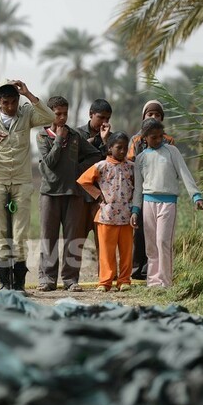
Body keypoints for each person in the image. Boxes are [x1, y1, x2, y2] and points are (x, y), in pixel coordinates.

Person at [0, 79, 55, 292]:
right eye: (5, 102)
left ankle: (19, 284)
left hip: (22, 181)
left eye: (14, 102)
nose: (10, 107)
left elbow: (50, 117)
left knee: (20, 233)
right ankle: (4, 283)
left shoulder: (27, 113)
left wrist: (28, 94)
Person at [36, 95, 103, 292]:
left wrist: (77, 169)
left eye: (65, 113)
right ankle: (47, 279)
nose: (62, 118)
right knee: (48, 238)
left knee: (73, 239)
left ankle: (70, 279)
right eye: (58, 114)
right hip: (50, 193)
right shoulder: (42, 137)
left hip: (73, 193)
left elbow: (95, 155)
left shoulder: (75, 136)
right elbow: (49, 162)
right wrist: (58, 139)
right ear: (49, 114)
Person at [131, 118, 203, 288]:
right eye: (153, 137)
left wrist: (196, 196)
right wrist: (135, 210)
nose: (158, 140)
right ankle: (153, 282)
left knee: (163, 241)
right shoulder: (140, 158)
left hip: (168, 203)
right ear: (144, 138)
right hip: (148, 203)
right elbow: (138, 188)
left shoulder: (172, 151)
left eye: (160, 136)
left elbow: (184, 173)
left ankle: (165, 282)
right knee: (151, 246)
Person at [77, 132, 135, 292]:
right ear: (110, 148)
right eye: (119, 148)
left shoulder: (131, 167)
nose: (122, 151)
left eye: (125, 148)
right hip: (106, 216)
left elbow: (137, 186)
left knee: (126, 252)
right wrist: (97, 194)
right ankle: (105, 282)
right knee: (106, 252)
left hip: (127, 216)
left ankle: (124, 280)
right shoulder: (101, 166)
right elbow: (83, 180)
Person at [127, 100, 177, 280]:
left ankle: (153, 272)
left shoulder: (168, 140)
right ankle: (136, 270)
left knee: (159, 235)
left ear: (162, 119)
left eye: (157, 115)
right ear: (143, 117)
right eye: (150, 114)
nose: (153, 117)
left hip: (161, 192)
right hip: (140, 190)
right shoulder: (136, 140)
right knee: (140, 231)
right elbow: (130, 161)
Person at [76, 98, 113, 261]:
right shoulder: (77, 134)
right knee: (77, 240)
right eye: (101, 117)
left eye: (107, 119)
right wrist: (87, 145)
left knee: (103, 240)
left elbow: (112, 163)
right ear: (91, 114)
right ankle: (72, 274)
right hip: (80, 195)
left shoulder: (112, 139)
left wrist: (105, 141)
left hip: (101, 196)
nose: (104, 122)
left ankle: (104, 274)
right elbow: (73, 160)